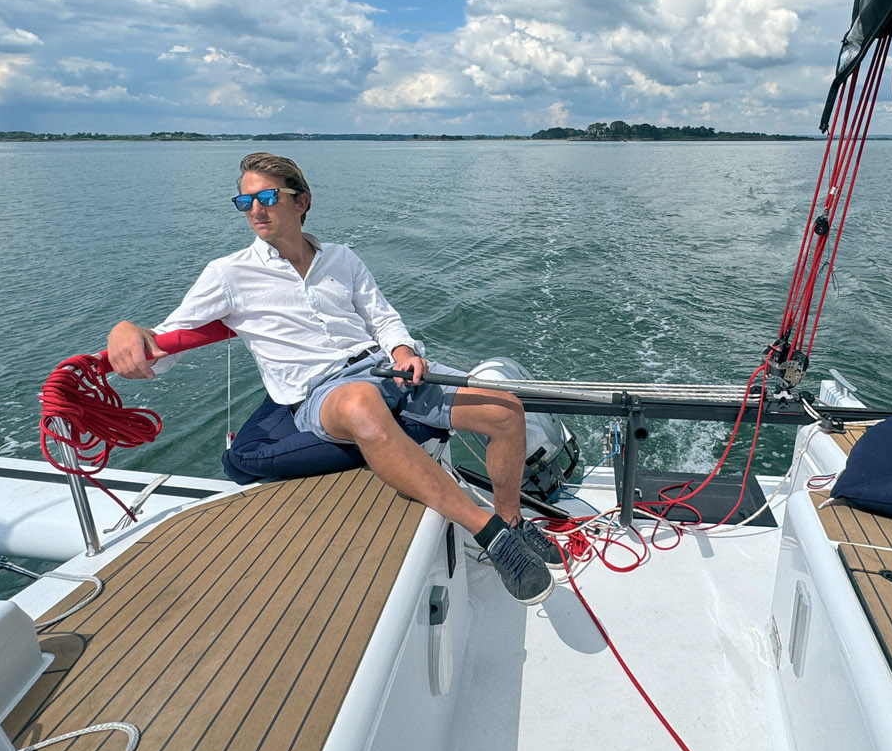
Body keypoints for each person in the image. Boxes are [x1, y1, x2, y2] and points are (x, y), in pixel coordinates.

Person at [107, 151, 561, 604]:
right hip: (322, 392)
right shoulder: (228, 274)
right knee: (360, 404)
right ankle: (493, 535)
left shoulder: (341, 257)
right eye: (244, 202)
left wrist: (403, 351)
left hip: (385, 367)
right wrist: (125, 330)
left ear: (301, 201)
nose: (255, 210)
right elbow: (163, 344)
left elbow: (382, 317)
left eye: (267, 197)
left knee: (504, 408)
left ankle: (514, 520)